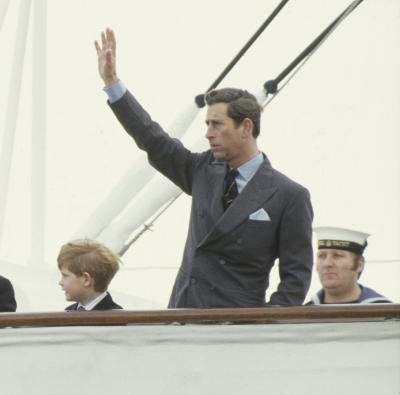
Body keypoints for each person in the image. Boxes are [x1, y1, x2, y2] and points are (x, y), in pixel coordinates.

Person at [94, 28, 313, 308]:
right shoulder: (202, 170)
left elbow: (296, 279)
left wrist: (263, 324)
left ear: (246, 127)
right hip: (184, 318)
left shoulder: (288, 195)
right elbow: (153, 140)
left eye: (217, 125)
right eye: (207, 124)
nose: (209, 133)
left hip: (236, 332)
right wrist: (112, 84)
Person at [306, 226, 392, 304]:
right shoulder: (305, 313)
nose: (327, 264)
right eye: (322, 256)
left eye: (337, 256)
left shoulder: (384, 313)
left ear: (359, 264)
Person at [58, 238, 123, 311]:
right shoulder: (69, 311)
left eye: (65, 276)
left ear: (86, 279)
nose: (60, 282)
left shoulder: (115, 317)